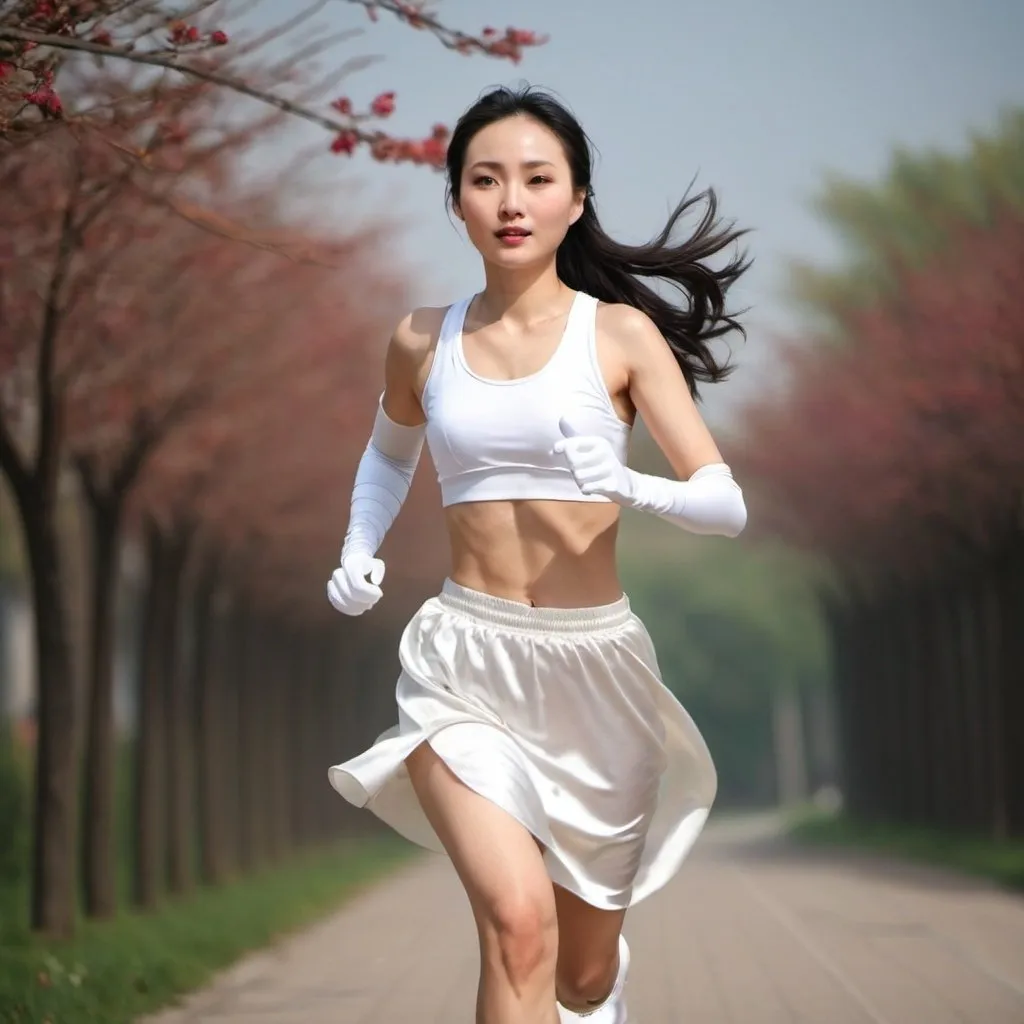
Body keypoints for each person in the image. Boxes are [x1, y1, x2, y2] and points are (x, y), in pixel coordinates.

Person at [326, 84, 750, 1024]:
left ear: (577, 199)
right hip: (461, 664)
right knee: (518, 926)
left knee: (578, 974)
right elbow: (387, 459)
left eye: (536, 179)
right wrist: (358, 545)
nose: (511, 201)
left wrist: (634, 485)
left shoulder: (623, 336)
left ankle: (600, 986)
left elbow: (726, 503)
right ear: (457, 202)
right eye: (486, 180)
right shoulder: (419, 339)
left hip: (597, 672)